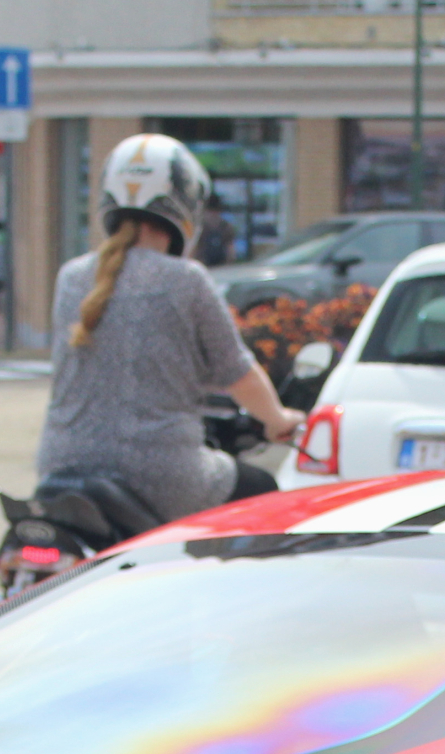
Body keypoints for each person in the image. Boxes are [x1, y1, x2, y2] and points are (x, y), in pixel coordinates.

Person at [35, 134, 301, 528]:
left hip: (60, 465)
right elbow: (238, 373)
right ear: (186, 199)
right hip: (162, 476)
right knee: (263, 491)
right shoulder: (186, 279)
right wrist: (278, 419)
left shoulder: (72, 278)